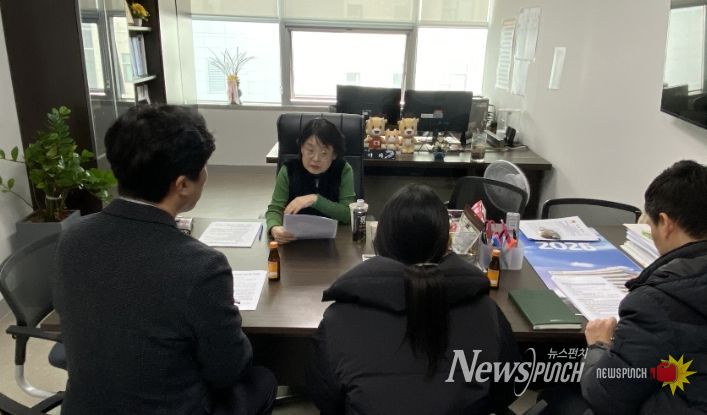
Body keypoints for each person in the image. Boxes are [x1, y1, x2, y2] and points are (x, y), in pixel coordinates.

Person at [54, 105, 276, 415]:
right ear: (182, 184)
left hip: (84, 407)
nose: (206, 175)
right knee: (262, 379)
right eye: (204, 167)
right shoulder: (201, 267)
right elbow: (228, 370)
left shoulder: (72, 238)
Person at [307, 184, 521, 415]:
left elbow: (326, 399)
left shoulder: (338, 319)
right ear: (446, 243)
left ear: (380, 241)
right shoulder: (487, 314)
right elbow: (507, 391)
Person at [579, 160, 707, 414]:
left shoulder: (657, 302)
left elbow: (605, 394)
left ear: (666, 223)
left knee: (561, 397)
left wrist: (599, 346)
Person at [266, 118, 356, 244]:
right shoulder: (288, 170)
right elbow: (275, 209)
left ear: (334, 154)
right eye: (310, 150)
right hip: (293, 240)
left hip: (334, 242)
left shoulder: (343, 170)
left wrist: (314, 200)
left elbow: (348, 215)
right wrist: (274, 228)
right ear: (301, 148)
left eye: (324, 153)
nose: (316, 158)